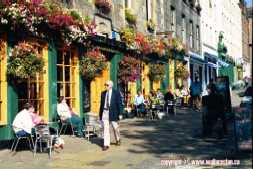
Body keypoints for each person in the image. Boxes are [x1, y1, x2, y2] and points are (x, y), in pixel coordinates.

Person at [99, 80, 123, 151]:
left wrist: (120, 113)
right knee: (106, 129)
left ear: (111, 86)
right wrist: (100, 115)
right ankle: (106, 144)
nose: (105, 86)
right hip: (105, 112)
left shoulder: (116, 93)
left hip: (113, 113)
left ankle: (118, 139)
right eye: (105, 85)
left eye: (107, 85)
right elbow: (101, 105)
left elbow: (119, 103)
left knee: (115, 128)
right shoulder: (103, 93)